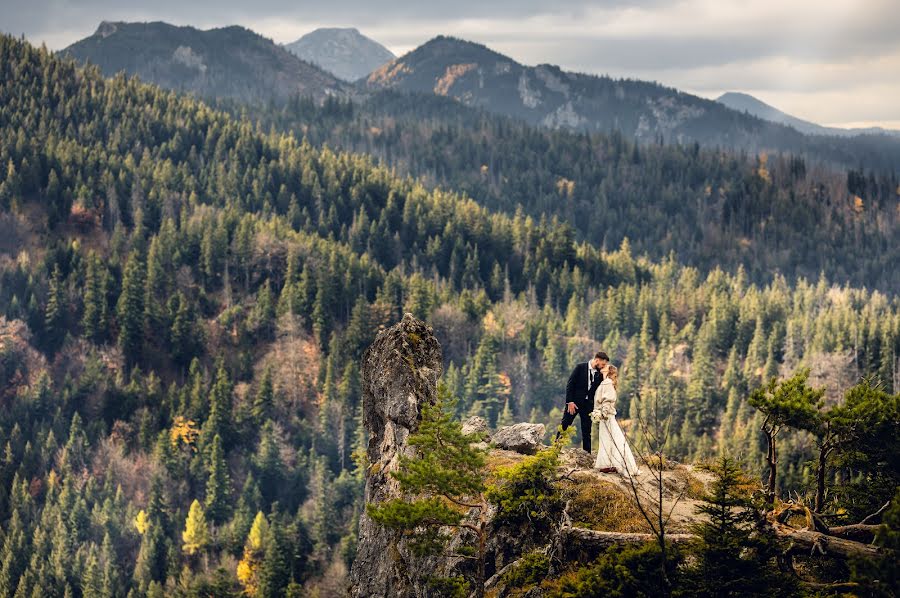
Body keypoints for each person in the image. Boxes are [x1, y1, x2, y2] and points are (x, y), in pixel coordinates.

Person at [592, 364, 640, 476]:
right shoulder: (607, 383)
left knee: (609, 439)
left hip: (607, 417)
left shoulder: (607, 383)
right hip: (607, 417)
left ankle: (612, 464)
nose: (601, 368)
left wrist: (602, 413)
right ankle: (610, 463)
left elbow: (607, 401)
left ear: (607, 372)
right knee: (610, 439)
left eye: (604, 368)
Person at [556, 351, 608, 452]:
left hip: (588, 406)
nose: (603, 367)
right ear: (597, 360)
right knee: (565, 425)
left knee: (587, 431)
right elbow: (570, 384)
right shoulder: (580, 367)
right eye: (602, 364)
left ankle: (587, 455)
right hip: (574, 404)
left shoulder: (600, 374)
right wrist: (570, 402)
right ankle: (555, 451)